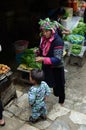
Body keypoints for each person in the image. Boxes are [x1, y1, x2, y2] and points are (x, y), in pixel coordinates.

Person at [35, 18, 65, 105]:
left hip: (56, 67)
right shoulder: (44, 39)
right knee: (46, 82)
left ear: (51, 31)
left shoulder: (58, 41)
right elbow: (42, 50)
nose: (44, 33)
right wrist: (38, 52)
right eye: (43, 31)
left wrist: (43, 59)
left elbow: (57, 59)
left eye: (46, 31)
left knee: (59, 85)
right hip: (47, 66)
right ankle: (45, 96)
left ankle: (61, 101)